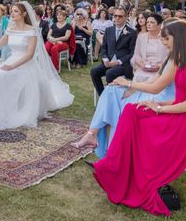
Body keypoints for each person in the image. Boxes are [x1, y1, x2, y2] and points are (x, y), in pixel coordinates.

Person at [92, 21, 186, 217]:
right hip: (176, 110)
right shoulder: (180, 59)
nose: (163, 42)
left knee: (138, 120)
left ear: (179, 38)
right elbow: (174, 95)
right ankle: (115, 165)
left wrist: (161, 108)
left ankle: (121, 170)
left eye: (166, 38)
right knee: (132, 110)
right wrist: (157, 105)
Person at [71, 17, 173, 157]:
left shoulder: (175, 59)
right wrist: (132, 87)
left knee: (114, 101)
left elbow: (156, 87)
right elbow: (139, 62)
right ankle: (94, 135)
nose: (162, 39)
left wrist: (129, 84)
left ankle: (108, 149)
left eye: (165, 37)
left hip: (159, 96)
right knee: (110, 90)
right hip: (145, 81)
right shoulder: (169, 54)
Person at [0, 2, 73, 129]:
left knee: (3, 76)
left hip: (25, 63)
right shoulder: (10, 29)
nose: (12, 13)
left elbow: (29, 55)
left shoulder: (31, 30)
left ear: (24, 14)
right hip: (11, 60)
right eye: (12, 11)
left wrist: (12, 66)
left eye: (16, 11)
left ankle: (10, 110)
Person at [90, 7, 137, 96]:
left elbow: (132, 53)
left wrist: (118, 62)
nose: (117, 18)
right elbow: (104, 47)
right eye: (115, 16)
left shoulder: (132, 33)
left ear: (126, 17)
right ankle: (103, 95)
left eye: (120, 16)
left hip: (123, 64)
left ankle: (112, 97)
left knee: (109, 73)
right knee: (94, 71)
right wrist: (105, 59)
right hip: (108, 61)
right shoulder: (109, 30)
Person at [130, 13, 168, 82]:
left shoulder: (165, 38)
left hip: (160, 69)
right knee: (139, 77)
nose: (148, 24)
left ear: (159, 25)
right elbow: (137, 54)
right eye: (147, 22)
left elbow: (168, 57)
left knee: (153, 80)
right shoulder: (141, 37)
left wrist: (159, 66)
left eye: (152, 22)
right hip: (144, 67)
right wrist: (142, 65)